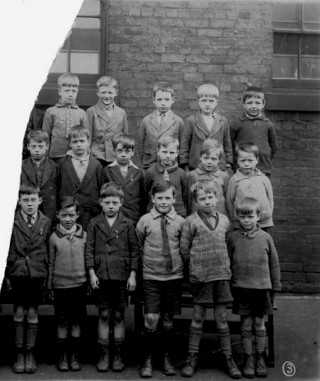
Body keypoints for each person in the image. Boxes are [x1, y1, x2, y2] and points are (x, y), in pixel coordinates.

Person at [180, 180, 241, 379]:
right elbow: (184, 249)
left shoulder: (224, 220)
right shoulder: (190, 221)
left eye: (211, 197)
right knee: (198, 317)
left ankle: (228, 358)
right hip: (201, 277)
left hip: (221, 275)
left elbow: (229, 248)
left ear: (217, 198)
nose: (207, 202)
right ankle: (191, 357)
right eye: (202, 199)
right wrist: (194, 269)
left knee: (222, 319)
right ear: (196, 202)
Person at [85, 182, 139, 373]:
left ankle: (117, 355)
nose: (110, 206)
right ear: (100, 202)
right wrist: (91, 272)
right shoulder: (93, 223)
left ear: (121, 203)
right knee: (104, 314)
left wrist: (132, 275)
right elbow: (89, 249)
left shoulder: (128, 223)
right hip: (101, 276)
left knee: (118, 315)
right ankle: (104, 354)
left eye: (114, 202)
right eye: (107, 202)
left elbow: (134, 251)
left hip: (121, 276)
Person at [136, 181, 185, 378]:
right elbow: (139, 246)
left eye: (167, 198)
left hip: (173, 276)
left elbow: (184, 247)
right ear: (153, 199)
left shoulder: (181, 222)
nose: (163, 202)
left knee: (167, 321)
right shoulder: (145, 221)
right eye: (160, 198)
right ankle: (147, 358)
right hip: (151, 276)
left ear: (174, 199)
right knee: (151, 318)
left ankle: (166, 357)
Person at [227, 197, 281, 378]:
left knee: (259, 324)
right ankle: (248, 358)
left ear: (258, 217)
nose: (247, 220)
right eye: (243, 217)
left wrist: (275, 289)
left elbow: (274, 265)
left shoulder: (266, 238)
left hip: (261, 289)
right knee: (246, 324)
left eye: (250, 216)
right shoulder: (232, 238)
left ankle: (260, 357)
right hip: (241, 289)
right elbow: (227, 263)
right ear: (238, 218)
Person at [3, 184, 51, 374]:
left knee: (32, 312)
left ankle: (30, 353)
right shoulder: (11, 220)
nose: (29, 204)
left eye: (33, 200)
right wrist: (6, 273)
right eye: (25, 200)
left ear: (39, 201)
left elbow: (48, 247)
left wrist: (47, 272)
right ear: (19, 201)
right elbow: (5, 249)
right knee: (19, 311)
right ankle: (19, 353)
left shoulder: (46, 221)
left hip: (37, 273)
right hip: (18, 273)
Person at [47, 196, 87, 372]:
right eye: (64, 215)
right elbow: (50, 263)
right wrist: (50, 286)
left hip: (79, 284)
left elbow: (88, 259)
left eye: (71, 215)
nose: (68, 219)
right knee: (62, 321)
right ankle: (62, 357)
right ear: (58, 215)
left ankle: (74, 356)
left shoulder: (84, 236)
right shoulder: (54, 238)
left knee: (76, 320)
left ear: (77, 215)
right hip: (60, 285)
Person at [57, 124, 103, 230]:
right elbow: (58, 187)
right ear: (69, 144)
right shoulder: (63, 164)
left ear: (88, 142)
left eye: (82, 141)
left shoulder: (96, 165)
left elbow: (100, 188)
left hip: (90, 212)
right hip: (68, 212)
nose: (78, 145)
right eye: (75, 141)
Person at [180, 83, 233, 172]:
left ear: (217, 101)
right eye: (204, 100)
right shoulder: (191, 121)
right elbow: (184, 145)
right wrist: (185, 165)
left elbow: (227, 144)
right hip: (196, 166)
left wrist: (228, 163)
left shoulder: (222, 121)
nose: (207, 104)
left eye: (211, 101)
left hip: (217, 167)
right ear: (198, 100)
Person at [226, 142, 273, 233]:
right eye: (243, 160)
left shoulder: (263, 178)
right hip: (242, 224)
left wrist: (267, 216)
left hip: (264, 224)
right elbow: (229, 201)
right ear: (237, 161)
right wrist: (236, 219)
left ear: (257, 160)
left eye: (250, 160)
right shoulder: (234, 180)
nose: (246, 164)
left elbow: (270, 199)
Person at [230, 86, 277, 176]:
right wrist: (236, 162)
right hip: (242, 167)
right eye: (250, 103)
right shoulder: (236, 124)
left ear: (263, 104)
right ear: (244, 104)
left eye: (257, 103)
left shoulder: (268, 124)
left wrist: (265, 159)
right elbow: (230, 145)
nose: (253, 106)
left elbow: (273, 147)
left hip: (262, 167)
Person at [137, 82, 184, 170]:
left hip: (171, 166)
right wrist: (145, 161)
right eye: (159, 99)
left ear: (172, 100)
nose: (163, 103)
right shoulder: (146, 120)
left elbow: (182, 145)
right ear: (153, 100)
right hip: (150, 165)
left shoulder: (178, 121)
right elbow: (140, 144)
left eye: (167, 99)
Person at [42, 73, 88, 161]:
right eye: (67, 91)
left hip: (76, 156)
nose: (70, 94)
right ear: (59, 91)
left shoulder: (81, 113)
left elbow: (85, 136)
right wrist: (46, 157)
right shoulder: (51, 111)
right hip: (55, 155)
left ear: (77, 91)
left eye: (73, 91)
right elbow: (45, 136)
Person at [103, 133, 146, 224]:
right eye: (120, 151)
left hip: (133, 215)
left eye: (127, 151)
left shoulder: (138, 173)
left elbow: (143, 198)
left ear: (132, 152)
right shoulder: (107, 171)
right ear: (114, 151)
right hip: (113, 214)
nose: (123, 155)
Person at [86, 76, 129, 167]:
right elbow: (88, 138)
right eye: (103, 92)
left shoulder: (121, 113)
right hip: (97, 156)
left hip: (115, 156)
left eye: (110, 92)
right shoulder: (91, 111)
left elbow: (125, 139)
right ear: (98, 93)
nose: (106, 96)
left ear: (115, 93)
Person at [144, 136, 188, 217]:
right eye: (164, 152)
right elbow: (145, 194)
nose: (168, 156)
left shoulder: (181, 173)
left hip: (177, 214)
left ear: (177, 153)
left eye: (171, 152)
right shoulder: (150, 172)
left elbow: (185, 196)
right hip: (154, 214)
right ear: (158, 152)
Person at [20, 130, 57, 222]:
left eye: (40, 146)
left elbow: (59, 188)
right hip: (28, 205)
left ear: (47, 147)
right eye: (33, 146)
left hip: (49, 208)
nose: (37, 150)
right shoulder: (21, 166)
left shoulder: (55, 166)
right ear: (28, 147)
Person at [187, 138, 229, 216]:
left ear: (219, 160)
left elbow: (228, 199)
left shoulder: (223, 176)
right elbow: (189, 198)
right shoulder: (193, 175)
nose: (209, 162)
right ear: (200, 157)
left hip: (219, 216)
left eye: (213, 159)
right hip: (198, 217)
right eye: (206, 158)